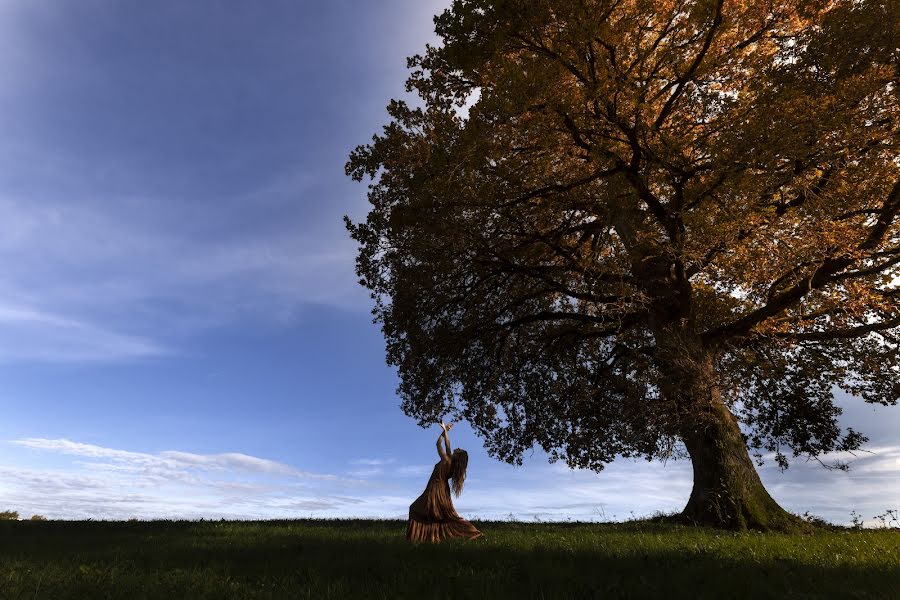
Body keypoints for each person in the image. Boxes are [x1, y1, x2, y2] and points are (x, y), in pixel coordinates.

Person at [406, 422, 483, 542]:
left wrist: (445, 432)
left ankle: (419, 538)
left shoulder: (446, 459)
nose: (456, 449)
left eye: (458, 450)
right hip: (441, 491)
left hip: (435, 490)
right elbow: (448, 445)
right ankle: (430, 538)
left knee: (417, 510)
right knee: (442, 517)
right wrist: (446, 431)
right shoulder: (450, 462)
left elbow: (438, 444)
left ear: (458, 456)